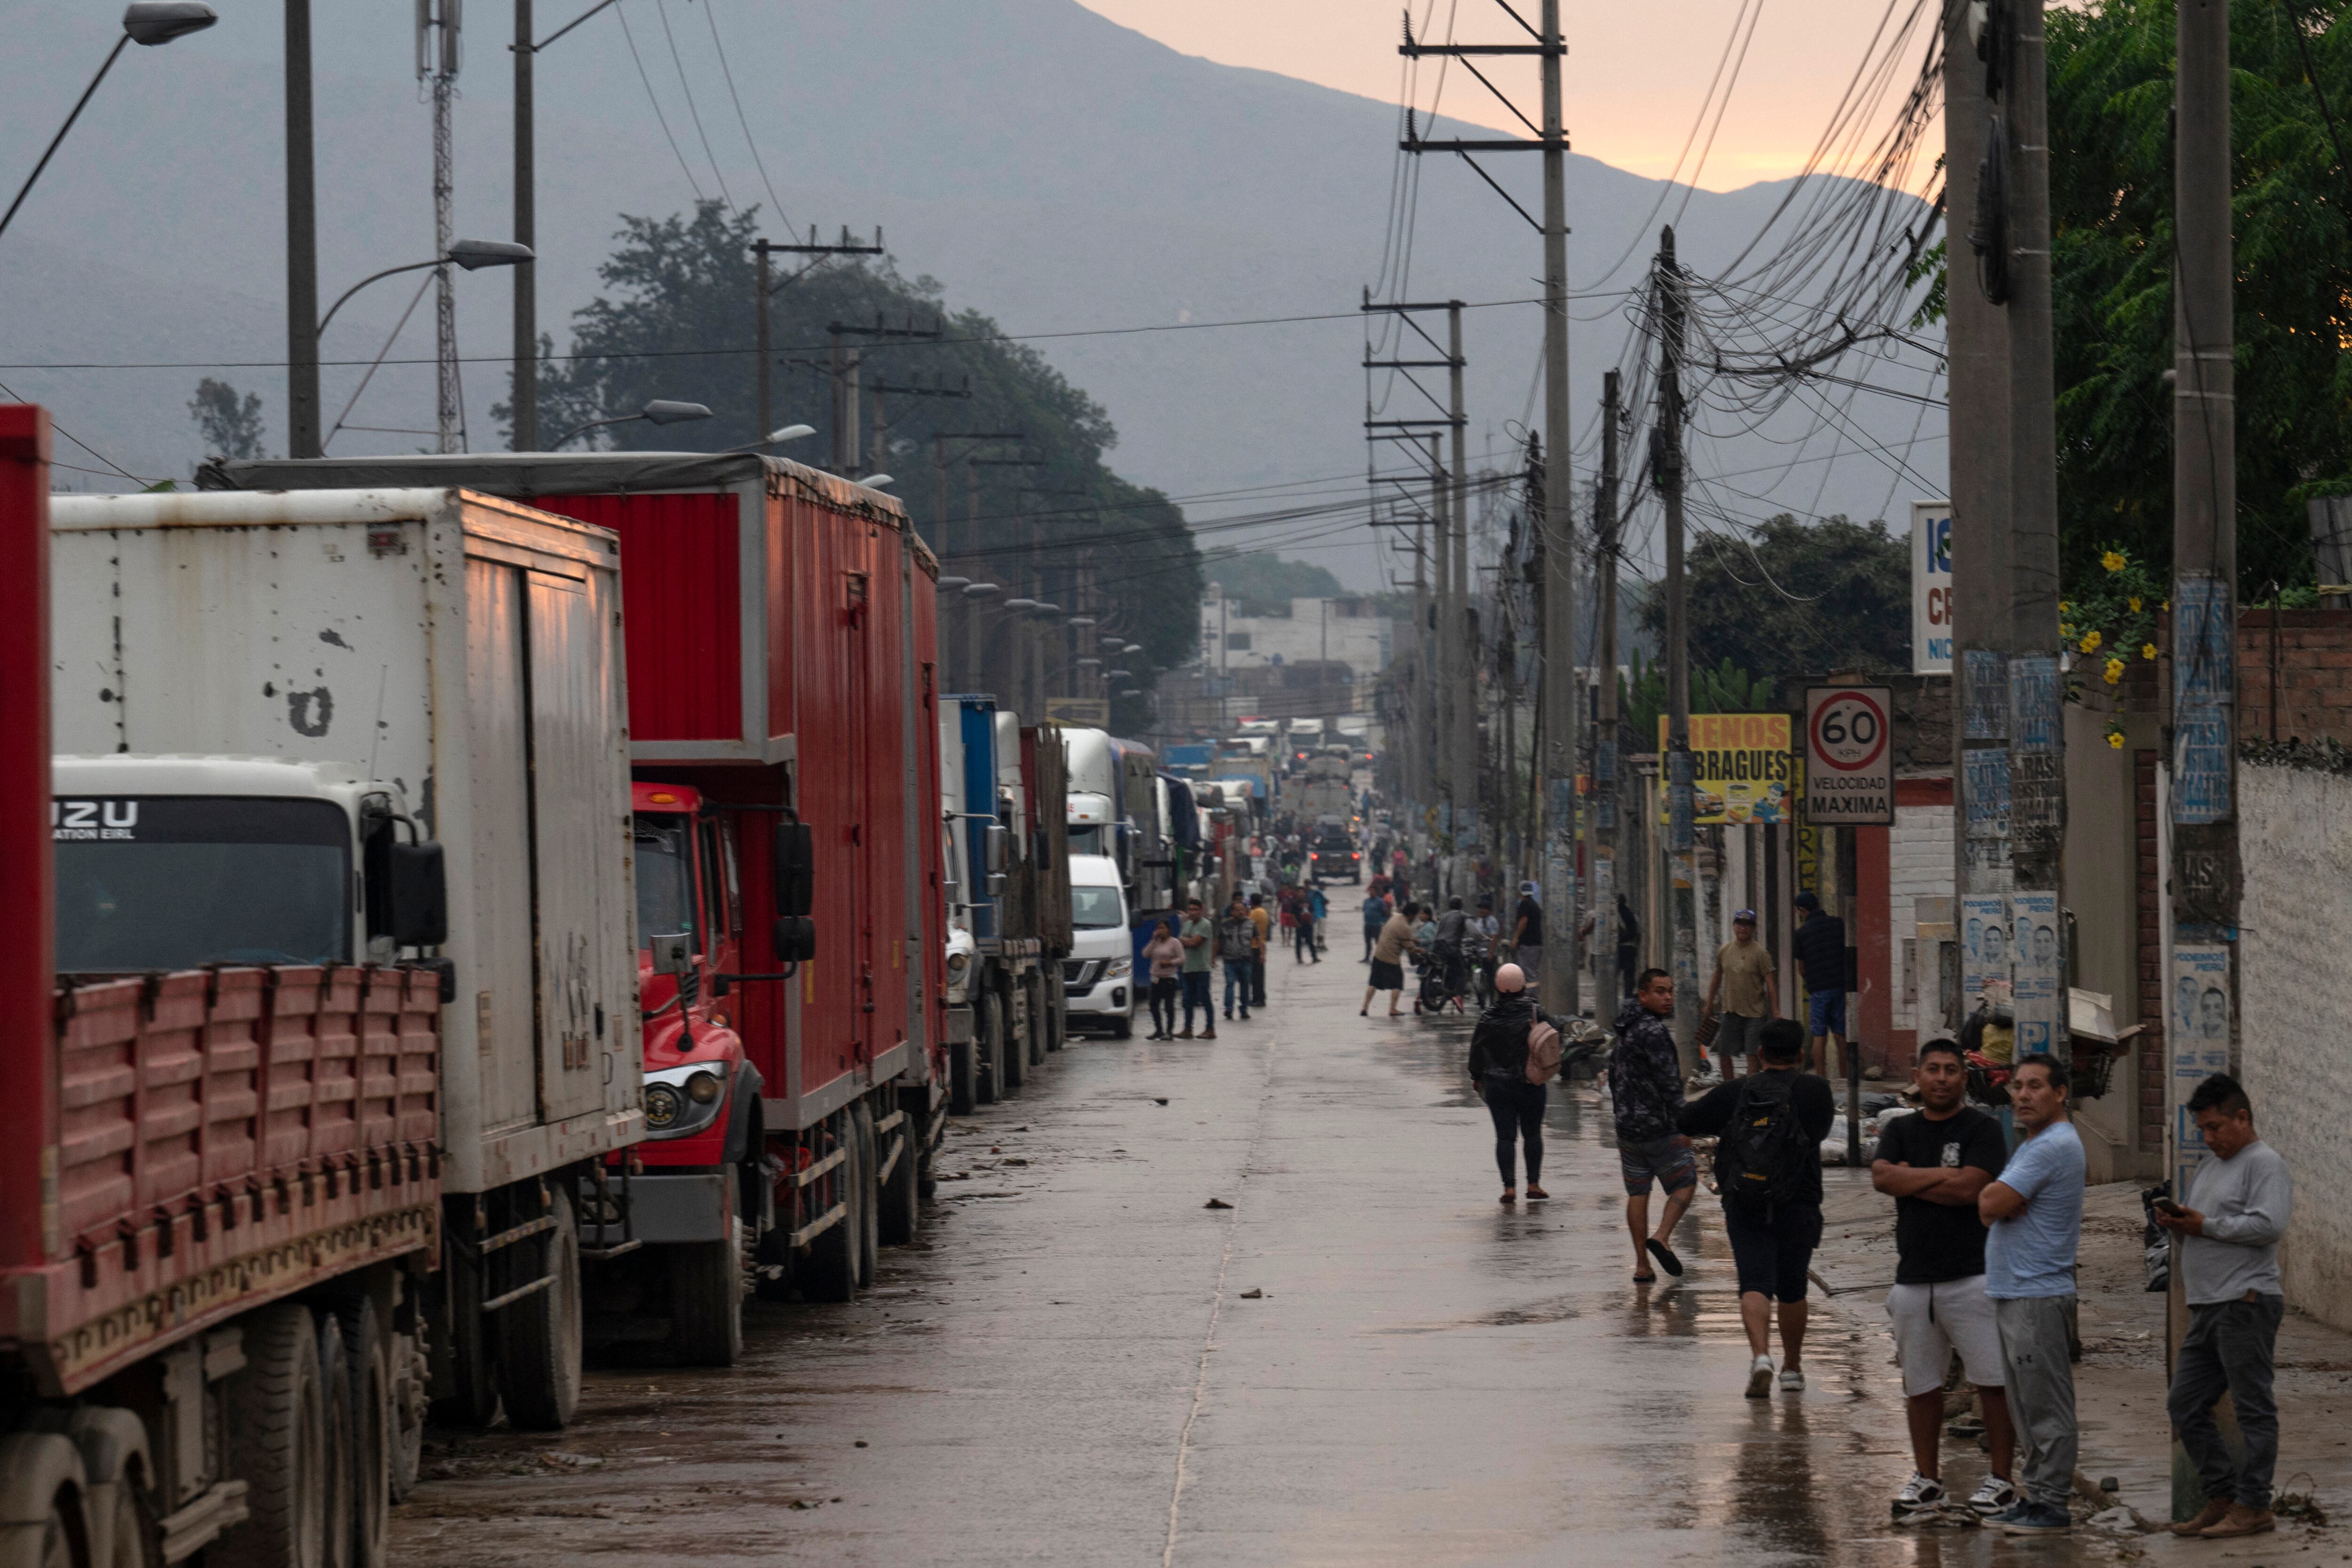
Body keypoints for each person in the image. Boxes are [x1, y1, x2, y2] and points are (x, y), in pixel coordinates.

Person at [1871, 1039, 2018, 1522]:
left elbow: (1974, 1189)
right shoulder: (1900, 1129)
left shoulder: (1982, 1128)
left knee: (1992, 1382)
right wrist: (1944, 1177)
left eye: (1951, 1070)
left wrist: (1913, 1179)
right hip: (1912, 1280)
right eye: (1932, 1069)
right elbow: (1881, 1178)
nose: (1940, 1078)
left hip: (1974, 1276)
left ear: (1963, 1078)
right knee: (1920, 1385)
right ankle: (1927, 1481)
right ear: (1917, 1075)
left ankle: (2002, 1481)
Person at [2154, 1073, 2295, 1540]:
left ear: (2242, 1117)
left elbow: (2268, 1225)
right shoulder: (2210, 1167)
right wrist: (2179, 1224)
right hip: (2209, 1306)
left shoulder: (2264, 1163)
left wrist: (2206, 1226)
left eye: (2215, 1127)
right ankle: (2222, 1495)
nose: (2209, 1138)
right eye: (2202, 1130)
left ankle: (2254, 1505)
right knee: (2184, 1403)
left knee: (2254, 1408)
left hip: (2244, 1302)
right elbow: (2204, 1228)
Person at [1678, 1017, 1837, 1396]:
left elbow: (1686, 1120)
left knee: (1754, 1281)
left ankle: (1761, 1356)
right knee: (1793, 1286)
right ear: (1800, 1054)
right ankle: (1792, 1369)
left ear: (1761, 1052)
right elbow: (1820, 1133)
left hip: (1745, 1198)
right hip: (1799, 1199)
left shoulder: (1736, 1091)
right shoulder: (1817, 1091)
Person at [1976, 1054, 2087, 1536]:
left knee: (2045, 1406)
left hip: (2036, 1294)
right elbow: (1995, 1203)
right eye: (2017, 1086)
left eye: (2035, 1086)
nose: (2022, 1095)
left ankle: (2052, 1504)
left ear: (2060, 1093)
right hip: (2017, 1291)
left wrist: (2000, 1200)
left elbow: (1988, 1202)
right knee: (2025, 1406)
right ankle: (2038, 1496)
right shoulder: (2034, 1144)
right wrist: (2000, 1201)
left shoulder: (2054, 1145)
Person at [1611, 969, 1700, 1286]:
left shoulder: (1625, 1028)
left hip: (1627, 1127)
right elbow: (1670, 1084)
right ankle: (1661, 1236)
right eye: (1660, 991)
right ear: (1643, 995)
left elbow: (1614, 1076)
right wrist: (1684, 1123)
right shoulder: (1654, 1032)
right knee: (1686, 1180)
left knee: (1638, 1191)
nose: (1668, 998)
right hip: (1657, 1127)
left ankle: (1642, 1265)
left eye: (1670, 991)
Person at [1466, 963, 1554, 1204]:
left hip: (1497, 1086)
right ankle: (1534, 1184)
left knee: (1505, 1137)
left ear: (1497, 987)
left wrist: (1476, 1077)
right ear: (1523, 985)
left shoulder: (1488, 1017)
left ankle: (1509, 1189)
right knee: (1532, 1134)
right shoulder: (1536, 1012)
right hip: (1531, 1083)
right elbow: (1554, 1037)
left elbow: (1477, 1051)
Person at [1703, 910, 1779, 1081]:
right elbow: (1717, 978)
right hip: (1730, 1012)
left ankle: (1750, 1088)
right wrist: (1710, 1002)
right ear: (1734, 926)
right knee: (1724, 1053)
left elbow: (1771, 983)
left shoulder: (1760, 953)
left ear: (1754, 928)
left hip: (1755, 1014)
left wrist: (1775, 1010)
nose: (1743, 928)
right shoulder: (1725, 950)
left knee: (1753, 1054)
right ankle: (1730, 1088)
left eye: (1748, 925)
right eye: (1740, 924)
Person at [1791, 891, 1848, 1075]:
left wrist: (1812, 981)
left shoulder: (1801, 933)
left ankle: (1821, 1078)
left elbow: (1801, 968)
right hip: (1839, 987)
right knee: (1840, 1034)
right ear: (1818, 905)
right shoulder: (1838, 924)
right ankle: (1845, 1077)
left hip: (1818, 991)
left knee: (1819, 1035)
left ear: (1801, 910)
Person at [1364, 900, 1417, 1018]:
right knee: (1398, 983)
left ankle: (1365, 1007)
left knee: (1373, 982)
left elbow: (1398, 937)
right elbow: (1410, 948)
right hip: (1391, 958)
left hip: (1378, 955)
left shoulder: (1394, 917)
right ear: (1411, 915)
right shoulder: (1406, 927)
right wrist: (1422, 951)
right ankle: (1393, 1009)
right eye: (1415, 916)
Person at [1177, 898, 1216, 1040]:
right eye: (1190, 910)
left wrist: (1186, 940)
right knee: (1187, 1001)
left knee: (1205, 999)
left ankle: (1210, 1029)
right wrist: (1187, 941)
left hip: (1202, 968)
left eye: (1195, 910)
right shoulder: (1188, 924)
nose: (1192, 912)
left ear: (1201, 910)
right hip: (1188, 968)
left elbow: (1195, 942)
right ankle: (1188, 1029)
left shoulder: (1205, 924)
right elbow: (1180, 942)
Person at [1142, 920, 1185, 1041]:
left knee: (1169, 1005)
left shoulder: (1175, 942)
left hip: (1169, 978)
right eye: (1158, 928)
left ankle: (1169, 1031)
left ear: (1168, 930)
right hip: (1156, 978)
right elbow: (1145, 954)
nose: (1160, 931)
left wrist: (1170, 963)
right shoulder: (1156, 943)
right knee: (1153, 1005)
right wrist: (1153, 940)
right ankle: (1159, 1030)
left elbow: (1182, 958)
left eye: (1163, 928)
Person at [1218, 896, 1258, 1022]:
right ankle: (1229, 1009)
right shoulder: (1225, 925)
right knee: (1230, 984)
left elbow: (1258, 939)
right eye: (1238, 910)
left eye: (1243, 910)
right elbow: (1218, 941)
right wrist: (1213, 957)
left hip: (1245, 960)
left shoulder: (1251, 924)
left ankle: (1244, 1009)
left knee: (1245, 985)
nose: (1241, 912)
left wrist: (1262, 954)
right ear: (1232, 912)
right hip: (1229, 961)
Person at [1509, 881, 1543, 974]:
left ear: (1520, 892)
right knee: (1532, 972)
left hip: (1528, 945)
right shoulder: (1535, 905)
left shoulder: (1525, 904)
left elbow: (1524, 921)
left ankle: (1531, 985)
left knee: (1528, 973)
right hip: (1536, 944)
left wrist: (1516, 938)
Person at [1248, 893, 1272, 1008]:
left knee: (1256, 975)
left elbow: (1247, 925)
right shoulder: (1263, 912)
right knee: (1259, 975)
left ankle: (1258, 998)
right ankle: (1259, 997)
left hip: (1256, 946)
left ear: (1252, 902)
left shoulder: (1255, 913)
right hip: (1261, 945)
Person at [1360, 888, 1391, 963]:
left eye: (1373, 892)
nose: (1371, 893)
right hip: (1367, 925)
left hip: (1376, 925)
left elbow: (1385, 912)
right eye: (1370, 892)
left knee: (1378, 942)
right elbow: (1364, 910)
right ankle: (1367, 958)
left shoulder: (1380, 901)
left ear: (1376, 893)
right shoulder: (1366, 901)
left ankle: (1381, 958)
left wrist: (1382, 920)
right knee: (1368, 942)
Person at [1293, 885, 1319, 964]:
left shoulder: (1309, 902)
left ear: (1305, 893)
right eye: (1299, 892)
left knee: (1310, 942)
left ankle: (1315, 957)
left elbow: (1312, 912)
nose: (1301, 894)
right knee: (1299, 943)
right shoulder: (1295, 903)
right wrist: (1297, 924)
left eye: (1303, 892)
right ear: (1297, 893)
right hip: (1300, 926)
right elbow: (1293, 915)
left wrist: (1312, 921)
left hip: (1308, 925)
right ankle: (1299, 959)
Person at [1308, 883, 1329, 956]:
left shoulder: (1314, 894)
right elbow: (1326, 901)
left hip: (1315, 915)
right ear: (1321, 887)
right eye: (1324, 886)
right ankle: (1321, 945)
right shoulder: (1320, 893)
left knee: (1317, 931)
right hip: (1321, 914)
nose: (1324, 888)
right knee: (1321, 931)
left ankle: (1318, 944)